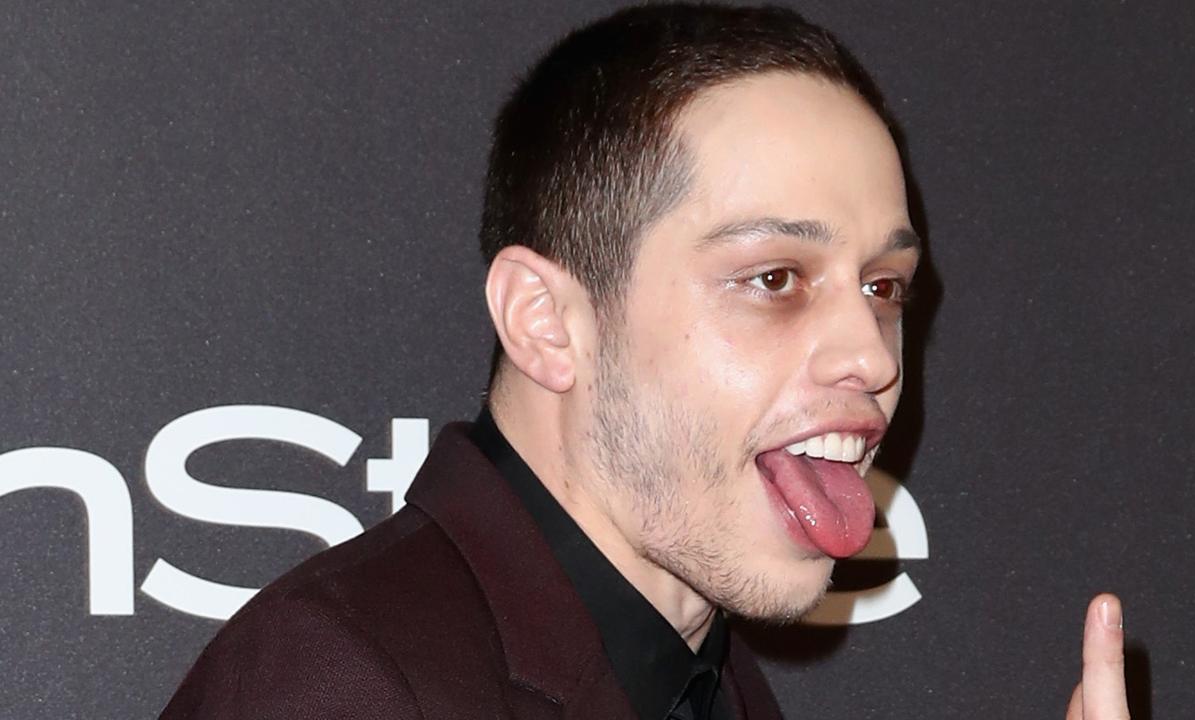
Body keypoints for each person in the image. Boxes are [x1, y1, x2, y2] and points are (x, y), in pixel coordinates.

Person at [160, 4, 1131, 719]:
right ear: (545, 322)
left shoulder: (709, 684)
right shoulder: (343, 688)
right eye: (774, 278)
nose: (870, 355)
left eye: (882, 287)